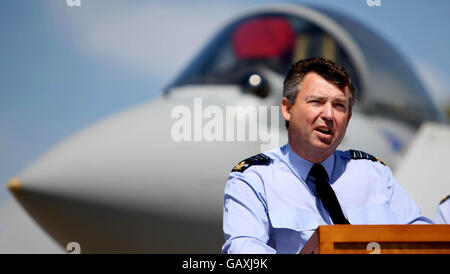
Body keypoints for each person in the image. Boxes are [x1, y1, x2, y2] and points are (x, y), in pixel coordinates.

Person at [222, 57, 432, 254]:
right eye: (316, 102)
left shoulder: (375, 175)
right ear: (287, 109)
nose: (329, 115)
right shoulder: (254, 180)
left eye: (339, 106)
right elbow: (246, 253)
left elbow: (428, 242)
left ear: (348, 119)